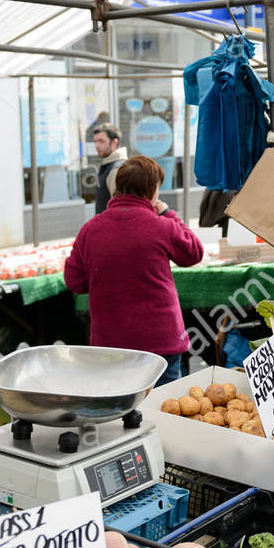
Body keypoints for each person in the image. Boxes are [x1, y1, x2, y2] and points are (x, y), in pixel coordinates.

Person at [63, 154, 204, 386]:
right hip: (161, 346)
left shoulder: (91, 230)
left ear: (119, 188)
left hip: (110, 347)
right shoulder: (162, 225)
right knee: (162, 415)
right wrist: (168, 212)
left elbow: (74, 281)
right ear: (152, 189)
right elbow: (194, 253)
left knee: (116, 416)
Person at [92, 123, 128, 215]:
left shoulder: (116, 169)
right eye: (95, 141)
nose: (97, 145)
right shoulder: (109, 165)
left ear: (114, 143)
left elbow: (120, 208)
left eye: (101, 141)